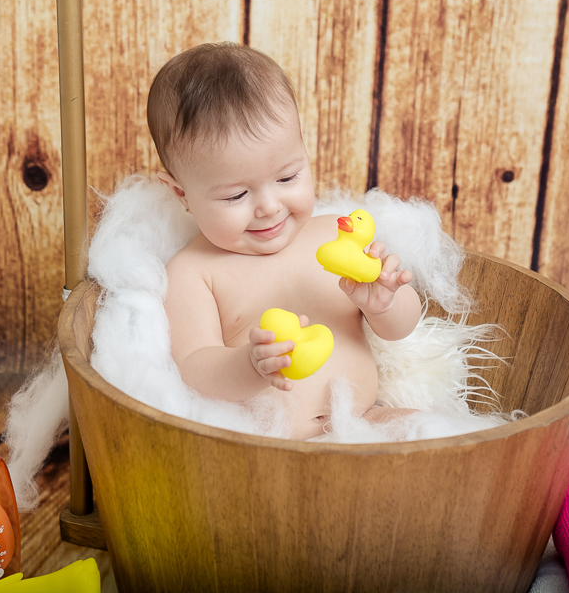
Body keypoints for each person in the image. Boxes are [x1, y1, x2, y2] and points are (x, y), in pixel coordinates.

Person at [148, 42, 421, 439]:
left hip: (365, 421)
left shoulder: (333, 234)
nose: (269, 207)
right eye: (235, 195)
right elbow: (194, 369)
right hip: (271, 452)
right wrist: (250, 366)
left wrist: (385, 304)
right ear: (181, 194)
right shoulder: (193, 273)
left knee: (432, 434)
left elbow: (402, 330)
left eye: (287, 177)